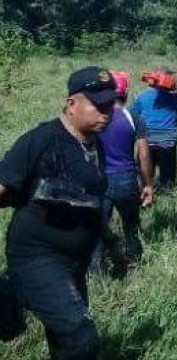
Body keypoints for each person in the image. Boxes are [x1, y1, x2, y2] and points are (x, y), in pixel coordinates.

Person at [0, 66, 122, 359]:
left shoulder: (95, 144)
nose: (107, 111)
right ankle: (9, 296)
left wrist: (111, 242)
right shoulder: (41, 140)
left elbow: (91, 203)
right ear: (72, 104)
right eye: (98, 104)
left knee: (64, 342)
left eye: (110, 104)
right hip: (36, 257)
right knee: (82, 338)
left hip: (74, 261)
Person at [93, 71, 155, 270]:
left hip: (100, 178)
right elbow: (144, 154)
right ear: (125, 93)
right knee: (130, 228)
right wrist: (148, 184)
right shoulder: (132, 116)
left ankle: (96, 274)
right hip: (127, 179)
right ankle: (134, 269)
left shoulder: (95, 116)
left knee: (98, 229)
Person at [130, 69, 177, 191]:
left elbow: (131, 114)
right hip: (167, 145)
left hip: (145, 143)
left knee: (142, 178)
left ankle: (143, 197)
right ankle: (167, 196)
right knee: (168, 181)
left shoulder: (143, 97)